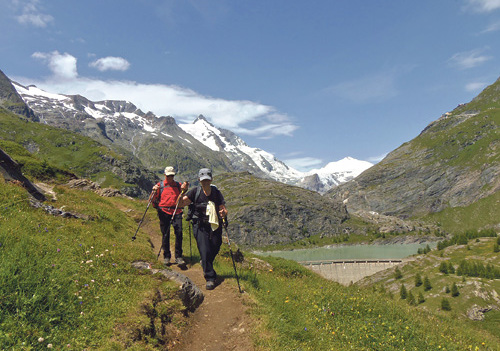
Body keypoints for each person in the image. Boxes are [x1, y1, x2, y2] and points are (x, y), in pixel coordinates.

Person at [180, 168, 228, 290]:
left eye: (207, 180)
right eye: (203, 180)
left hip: (214, 224)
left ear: (211, 179)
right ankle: (210, 277)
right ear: (199, 180)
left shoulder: (216, 192)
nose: (205, 182)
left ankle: (205, 262)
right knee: (204, 249)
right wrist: (182, 192)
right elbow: (180, 204)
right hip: (199, 225)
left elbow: (223, 207)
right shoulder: (194, 192)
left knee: (216, 246)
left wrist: (224, 213)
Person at [152, 166, 189, 266]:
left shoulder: (178, 185)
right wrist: (154, 191)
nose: (170, 178)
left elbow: (184, 194)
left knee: (179, 233)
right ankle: (167, 257)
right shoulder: (160, 186)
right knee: (165, 234)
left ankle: (178, 256)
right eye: (168, 176)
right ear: (165, 175)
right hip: (163, 212)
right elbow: (152, 199)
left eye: (172, 176)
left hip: (176, 211)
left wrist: (185, 189)